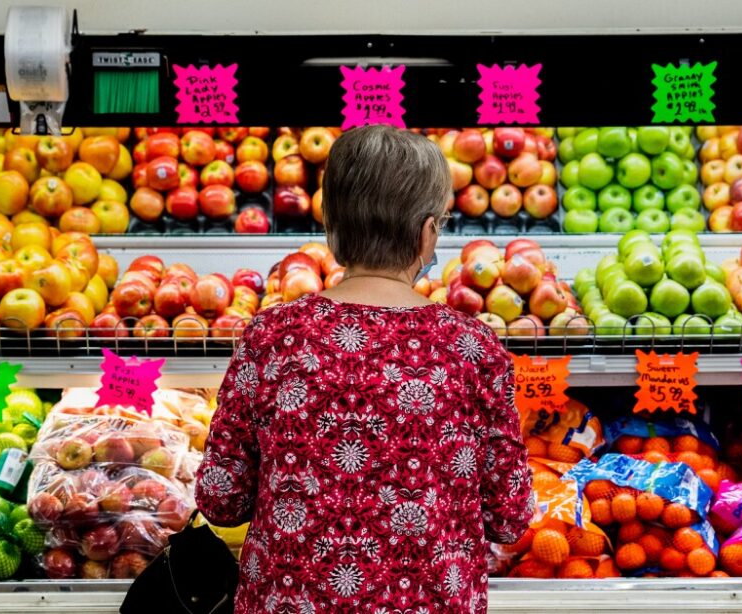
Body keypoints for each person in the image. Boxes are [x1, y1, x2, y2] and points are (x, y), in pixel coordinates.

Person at [195, 125, 533, 613]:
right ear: (427, 233)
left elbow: (221, 497)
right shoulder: (472, 348)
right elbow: (510, 514)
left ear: (331, 227)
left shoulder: (272, 336)